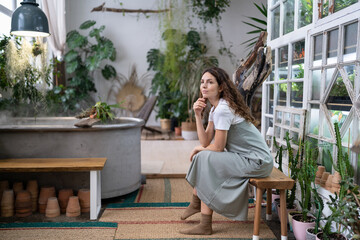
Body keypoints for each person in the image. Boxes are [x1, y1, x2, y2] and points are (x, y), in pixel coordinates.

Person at [179, 67, 273, 235]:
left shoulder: (223, 109)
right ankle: (200, 210)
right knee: (204, 157)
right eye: (202, 82)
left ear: (221, 87)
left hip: (257, 161)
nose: (204, 86)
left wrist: (198, 148)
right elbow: (206, 141)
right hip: (246, 157)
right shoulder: (216, 109)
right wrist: (198, 115)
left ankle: (199, 207)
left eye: (210, 82)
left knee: (204, 157)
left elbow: (218, 147)